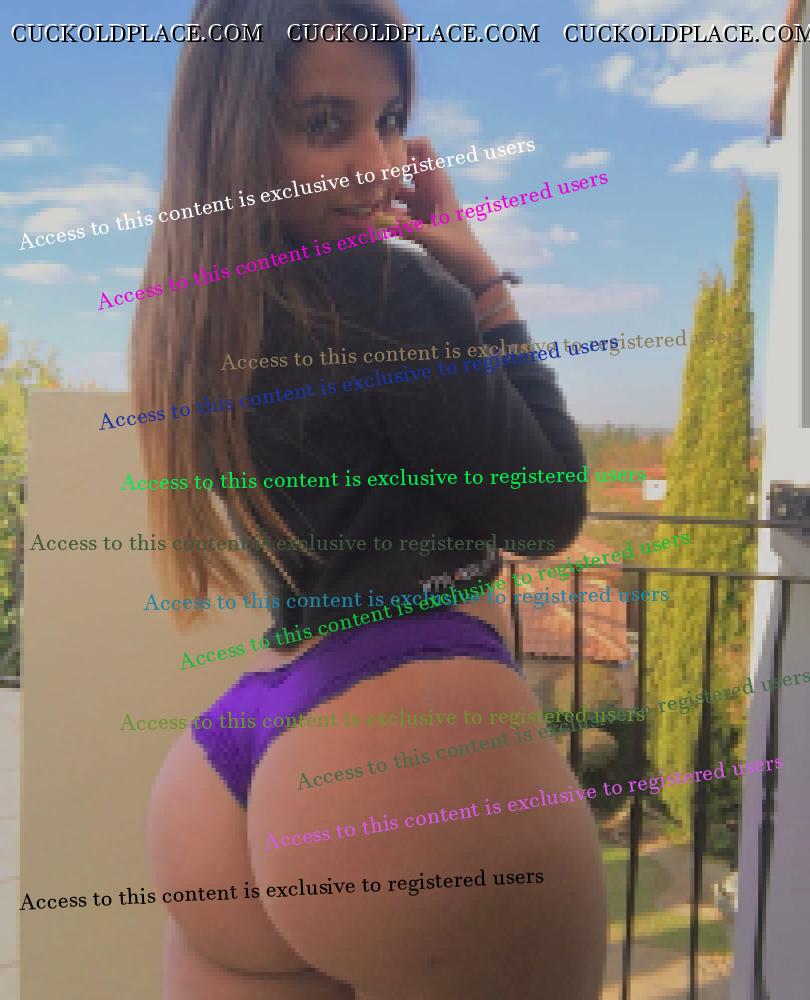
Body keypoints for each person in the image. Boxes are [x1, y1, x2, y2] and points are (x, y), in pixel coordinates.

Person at [132, 1, 607, 996]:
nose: (375, 164)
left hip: (228, 766)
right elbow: (546, 506)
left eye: (389, 122)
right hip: (415, 742)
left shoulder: (198, 320)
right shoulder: (391, 292)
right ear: (236, 140)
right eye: (325, 124)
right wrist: (480, 278)